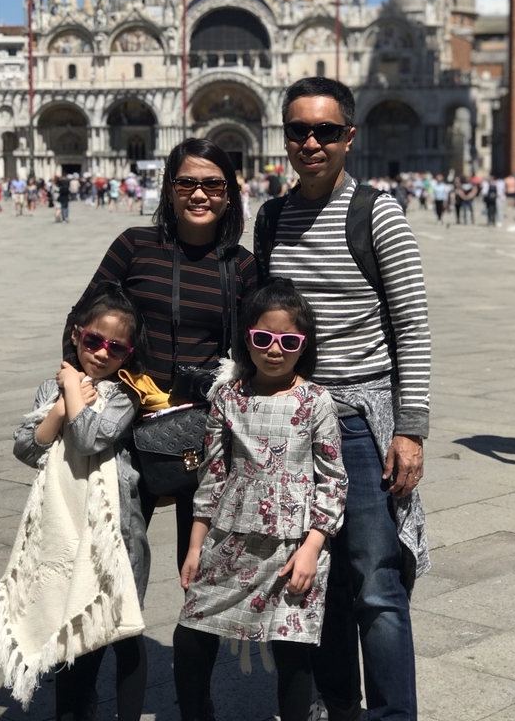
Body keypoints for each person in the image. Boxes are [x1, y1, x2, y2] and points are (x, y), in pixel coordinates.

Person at [255, 77, 430, 721]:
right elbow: (267, 320)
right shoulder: (270, 216)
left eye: (325, 131)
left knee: (378, 585)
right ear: (286, 138)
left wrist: (409, 430)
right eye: (299, 130)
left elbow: (411, 322)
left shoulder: (377, 212)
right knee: (315, 584)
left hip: (361, 424)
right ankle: (337, 706)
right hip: (294, 425)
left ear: (349, 138)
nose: (311, 142)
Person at [63, 139, 258, 565]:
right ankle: (119, 635)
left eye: (213, 184)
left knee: (205, 563)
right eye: (186, 182)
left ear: (230, 194)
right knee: (111, 556)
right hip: (126, 423)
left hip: (205, 429)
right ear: (169, 189)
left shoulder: (242, 266)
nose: (199, 194)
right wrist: (78, 387)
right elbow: (82, 320)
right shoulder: (135, 246)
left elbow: (255, 348)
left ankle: (199, 635)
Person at [173, 279, 347, 721]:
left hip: (294, 548)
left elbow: (332, 482)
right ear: (246, 340)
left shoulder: (316, 401)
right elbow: (212, 475)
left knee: (292, 650)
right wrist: (195, 545)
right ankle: (196, 713)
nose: (275, 350)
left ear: (303, 345)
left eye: (288, 340)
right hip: (230, 539)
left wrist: (312, 548)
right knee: (192, 632)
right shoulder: (228, 396)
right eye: (262, 338)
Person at [0, 281, 151, 721]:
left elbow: (90, 436)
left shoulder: (127, 394)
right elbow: (27, 448)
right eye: (93, 340)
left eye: (115, 348)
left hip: (114, 532)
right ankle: (73, 710)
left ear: (128, 355)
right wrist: (58, 405)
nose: (101, 353)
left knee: (122, 628)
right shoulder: (50, 388)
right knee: (67, 626)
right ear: (77, 334)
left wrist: (72, 390)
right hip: (62, 523)